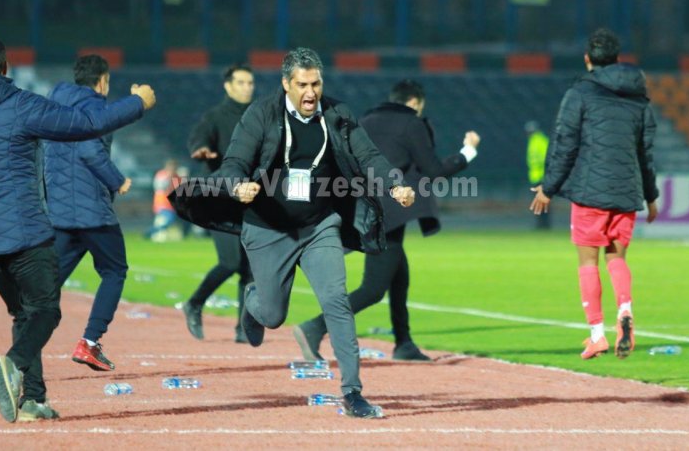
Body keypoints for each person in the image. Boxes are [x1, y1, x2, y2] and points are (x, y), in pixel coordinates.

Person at [169, 47, 415, 418]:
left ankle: (352, 393)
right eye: (301, 84)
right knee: (272, 315)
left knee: (336, 302)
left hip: (320, 226)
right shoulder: (261, 114)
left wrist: (394, 185)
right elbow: (234, 162)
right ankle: (254, 302)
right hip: (268, 228)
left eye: (315, 83)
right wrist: (238, 187)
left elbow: (369, 158)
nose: (310, 92)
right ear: (286, 84)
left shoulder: (338, 114)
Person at [0, 34, 155, 423]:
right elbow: (87, 123)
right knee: (46, 311)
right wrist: (138, 103)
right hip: (26, 230)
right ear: (5, 69)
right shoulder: (20, 104)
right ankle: (13, 364)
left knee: (23, 314)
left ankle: (31, 400)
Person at [294, 79, 480, 362]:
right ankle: (315, 327)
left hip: (363, 207)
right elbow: (433, 171)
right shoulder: (411, 123)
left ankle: (404, 343)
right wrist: (468, 151)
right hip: (392, 211)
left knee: (399, 277)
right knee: (373, 289)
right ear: (415, 103)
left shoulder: (366, 120)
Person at [530, 28, 658, 360]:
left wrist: (548, 187)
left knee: (588, 262)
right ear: (616, 60)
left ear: (588, 60)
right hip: (626, 191)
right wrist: (651, 195)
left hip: (589, 192)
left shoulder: (580, 93)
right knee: (617, 258)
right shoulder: (638, 97)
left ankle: (597, 334)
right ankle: (625, 309)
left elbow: (564, 144)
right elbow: (645, 151)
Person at [43, 54, 142, 372]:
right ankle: (89, 343)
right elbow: (89, 150)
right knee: (115, 271)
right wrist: (118, 180)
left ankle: (23, 347)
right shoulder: (96, 107)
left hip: (62, 212)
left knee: (48, 284)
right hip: (92, 212)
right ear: (102, 81)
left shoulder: (56, 106)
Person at [182, 64, 255, 343]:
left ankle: (243, 328)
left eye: (250, 82)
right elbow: (199, 138)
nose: (248, 87)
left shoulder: (257, 116)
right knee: (231, 261)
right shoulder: (215, 116)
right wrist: (200, 150)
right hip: (218, 197)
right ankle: (194, 303)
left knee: (250, 268)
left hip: (248, 199)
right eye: (242, 82)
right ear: (228, 86)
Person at [146, 159, 184, 241]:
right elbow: (160, 188)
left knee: (171, 221)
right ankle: (150, 232)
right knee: (168, 219)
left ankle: (153, 232)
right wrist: (169, 179)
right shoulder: (161, 175)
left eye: (174, 167)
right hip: (162, 203)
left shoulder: (177, 177)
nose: (173, 169)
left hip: (173, 205)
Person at [524, 120, 551, 229]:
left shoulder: (540, 141)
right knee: (538, 202)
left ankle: (543, 225)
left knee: (542, 202)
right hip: (536, 176)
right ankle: (541, 224)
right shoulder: (536, 140)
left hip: (540, 177)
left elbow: (546, 159)